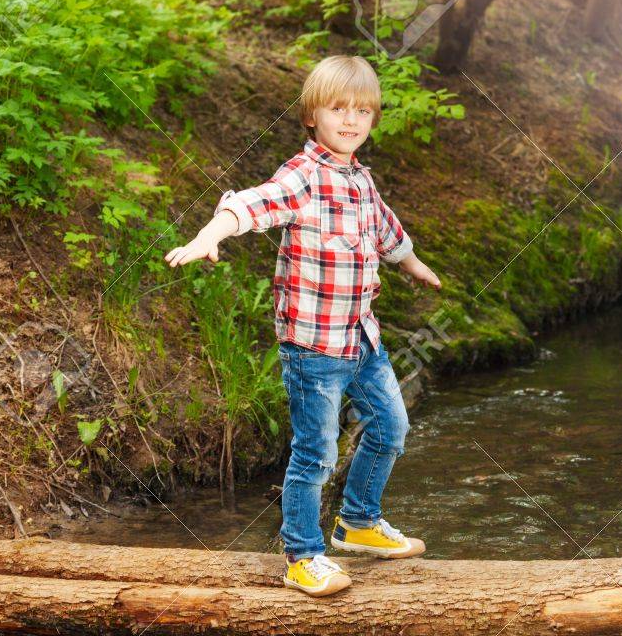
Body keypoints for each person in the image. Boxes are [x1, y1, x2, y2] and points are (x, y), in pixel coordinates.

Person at [165, 55, 441, 597]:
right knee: (316, 452)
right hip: (313, 347)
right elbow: (250, 204)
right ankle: (302, 554)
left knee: (391, 429)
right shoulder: (304, 177)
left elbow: (385, 228)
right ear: (312, 115)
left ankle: (358, 523)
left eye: (363, 110)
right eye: (338, 108)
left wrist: (409, 261)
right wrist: (210, 235)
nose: (351, 119)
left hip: (362, 338)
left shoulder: (359, 178)